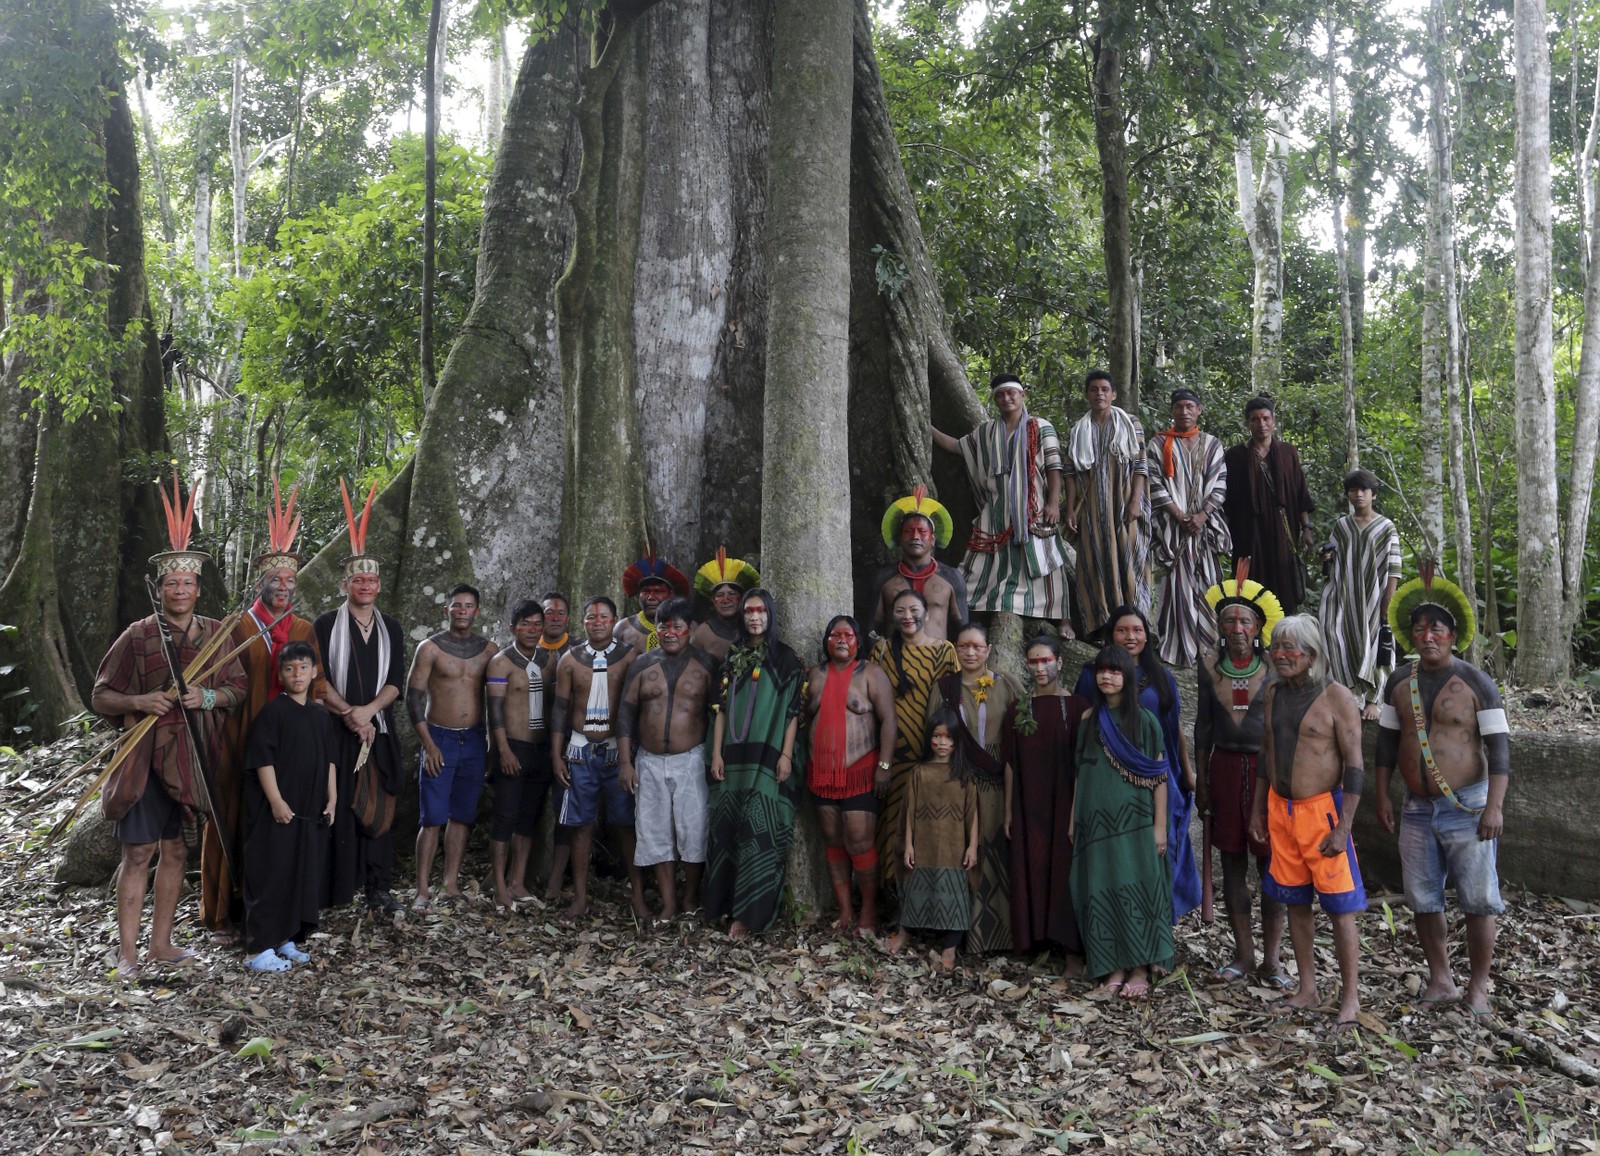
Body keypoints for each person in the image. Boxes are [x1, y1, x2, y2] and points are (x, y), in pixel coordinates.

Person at [92, 476, 246, 977]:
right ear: (161, 590)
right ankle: (128, 953)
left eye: (188, 583)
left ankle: (163, 943)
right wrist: (139, 699)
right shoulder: (138, 636)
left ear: (199, 588)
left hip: (194, 758)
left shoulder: (219, 635)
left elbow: (237, 690)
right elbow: (100, 694)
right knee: (138, 852)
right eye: (171, 584)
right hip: (143, 760)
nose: (180, 590)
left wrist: (204, 696)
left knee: (177, 849)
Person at [1373, 573, 1507, 1016]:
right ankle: (1441, 978)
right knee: (1423, 897)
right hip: (1415, 809)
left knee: (1477, 898)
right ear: (1411, 635)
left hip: (1468, 807)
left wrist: (1494, 807)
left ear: (1453, 637)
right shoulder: (1398, 681)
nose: (1427, 637)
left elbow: (1500, 749)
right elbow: (1387, 745)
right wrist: (1382, 795)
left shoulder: (1476, 682)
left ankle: (1479, 986)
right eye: (1420, 629)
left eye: (1437, 630)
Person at [204, 478, 322, 939]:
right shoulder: (236, 626)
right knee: (232, 813)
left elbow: (318, 683)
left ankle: (280, 915)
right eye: (275, 579)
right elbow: (215, 679)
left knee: (283, 819)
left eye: (291, 580)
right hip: (239, 735)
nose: (283, 587)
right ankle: (222, 911)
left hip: (288, 742)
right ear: (261, 582)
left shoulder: (305, 628)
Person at [1249, 615, 1366, 1030]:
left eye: (1290, 648)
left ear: (1311, 654)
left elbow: (1354, 765)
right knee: (1294, 900)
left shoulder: (1337, 698)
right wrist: (1259, 808)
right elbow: (1266, 750)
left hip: (1323, 813)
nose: (1280, 655)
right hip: (1282, 810)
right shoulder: (1273, 692)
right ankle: (1308, 987)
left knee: (1339, 908)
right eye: (1276, 647)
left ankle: (1350, 998)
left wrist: (1344, 825)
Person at [1073, 606, 1201, 922]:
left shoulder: (1161, 676)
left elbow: (1175, 729)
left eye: (1138, 630)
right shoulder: (1092, 675)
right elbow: (1083, 725)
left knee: (1161, 844)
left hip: (1159, 773)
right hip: (1109, 776)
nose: (1131, 637)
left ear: (1146, 635)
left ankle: (1160, 926)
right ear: (1110, 635)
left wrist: (1186, 772)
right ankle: (1122, 926)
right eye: (1123, 630)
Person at [315, 480, 406, 915]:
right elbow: (315, 678)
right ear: (344, 583)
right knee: (339, 804)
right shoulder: (324, 625)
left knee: (381, 804)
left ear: (379, 585)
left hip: (379, 729)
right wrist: (351, 714)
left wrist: (369, 713)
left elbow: (395, 681)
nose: (365, 585)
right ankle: (338, 888)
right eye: (358, 579)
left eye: (371, 579)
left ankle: (378, 888)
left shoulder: (392, 627)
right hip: (336, 730)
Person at [1194, 572, 1289, 987]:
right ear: (1219, 627)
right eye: (1229, 621)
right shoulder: (1208, 666)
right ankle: (1243, 956)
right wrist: (1201, 780)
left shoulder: (1274, 668)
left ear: (1258, 628)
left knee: (1271, 866)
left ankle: (1273, 959)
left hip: (1266, 773)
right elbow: (1202, 727)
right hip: (1225, 771)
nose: (1236, 629)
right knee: (1232, 864)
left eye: (1245, 622)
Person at [932, 373, 1072, 637]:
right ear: (995, 399)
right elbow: (957, 446)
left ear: (1022, 395)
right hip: (995, 511)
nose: (1006, 398)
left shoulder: (1040, 427)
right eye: (1000, 395)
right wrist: (926, 427)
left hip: (1034, 510)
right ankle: (974, 615)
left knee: (1047, 562)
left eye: (1011, 393)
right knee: (975, 565)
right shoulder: (987, 432)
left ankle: (1063, 621)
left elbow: (1054, 468)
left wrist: (1053, 503)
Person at [1069, 645, 1172, 999]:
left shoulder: (1144, 721)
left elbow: (1160, 777)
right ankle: (1112, 966)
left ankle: (1140, 967)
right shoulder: (1087, 721)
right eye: (1101, 670)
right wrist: (1073, 820)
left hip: (1137, 826)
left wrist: (1160, 828)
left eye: (1114, 670)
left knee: (1137, 889)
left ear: (1127, 677)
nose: (1106, 676)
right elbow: (1080, 775)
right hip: (1093, 825)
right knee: (1100, 889)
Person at [704, 588, 805, 938]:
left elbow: (792, 712)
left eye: (761, 611)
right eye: (749, 611)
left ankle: (750, 916)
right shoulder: (732, 658)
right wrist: (716, 754)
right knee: (726, 831)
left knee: (758, 834)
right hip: (731, 760)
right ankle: (723, 906)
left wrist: (787, 755)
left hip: (767, 759)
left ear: (770, 615)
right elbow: (717, 711)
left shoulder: (786, 659)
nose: (754, 617)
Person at [617, 597, 718, 924]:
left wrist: (717, 757)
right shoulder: (642, 663)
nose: (670, 632)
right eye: (663, 626)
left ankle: (690, 899)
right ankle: (669, 903)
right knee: (655, 832)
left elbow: (721, 714)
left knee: (694, 831)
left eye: (677, 626)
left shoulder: (706, 663)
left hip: (691, 759)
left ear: (690, 629)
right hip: (647, 761)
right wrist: (624, 762)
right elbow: (626, 713)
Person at [240, 642, 336, 972]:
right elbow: (263, 760)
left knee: (299, 871)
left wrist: (332, 797)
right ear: (280, 674)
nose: (298, 674)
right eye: (290, 668)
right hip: (277, 812)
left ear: (314, 673)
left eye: (304, 668)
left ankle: (284, 937)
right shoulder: (272, 713)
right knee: (272, 872)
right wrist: (276, 801)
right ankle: (257, 950)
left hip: (309, 810)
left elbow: (330, 761)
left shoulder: (320, 715)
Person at [550, 595, 643, 921]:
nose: (597, 621)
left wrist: (629, 757)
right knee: (581, 826)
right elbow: (560, 710)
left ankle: (639, 897)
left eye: (604, 616)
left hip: (617, 752)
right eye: (591, 617)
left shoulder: (631, 657)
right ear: (583, 622)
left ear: (614, 619)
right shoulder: (569, 661)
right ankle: (579, 897)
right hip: (579, 752)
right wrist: (556, 755)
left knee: (626, 825)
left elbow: (636, 707)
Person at [803, 615, 896, 936]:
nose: (841, 640)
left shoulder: (872, 674)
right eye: (834, 634)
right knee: (833, 840)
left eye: (848, 634)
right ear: (826, 640)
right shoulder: (813, 675)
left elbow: (889, 722)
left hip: (861, 772)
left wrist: (884, 766)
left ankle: (868, 911)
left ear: (858, 640)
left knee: (859, 841)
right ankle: (845, 911)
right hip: (821, 774)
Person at [934, 621, 1022, 953]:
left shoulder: (1007, 685)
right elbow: (936, 734)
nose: (970, 652)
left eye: (977, 647)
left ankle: (1001, 938)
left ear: (988, 650)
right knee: (962, 857)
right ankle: (958, 937)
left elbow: (1024, 732)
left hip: (1000, 787)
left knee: (997, 852)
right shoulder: (945, 688)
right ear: (955, 650)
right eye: (963, 646)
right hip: (960, 785)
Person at [406, 582, 494, 910]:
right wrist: (428, 745)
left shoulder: (489, 650)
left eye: (468, 606)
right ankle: (422, 890)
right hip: (438, 737)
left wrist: (492, 746)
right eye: (456, 605)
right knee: (432, 817)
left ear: (476, 611)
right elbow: (413, 698)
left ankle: (450, 883)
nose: (461, 611)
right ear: (447, 610)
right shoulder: (429, 649)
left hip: (473, 740)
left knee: (462, 816)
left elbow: (496, 701)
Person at [1003, 634, 1088, 966]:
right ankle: (1032, 941)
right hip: (1029, 805)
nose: (1040, 667)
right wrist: (1010, 811)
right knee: (1031, 867)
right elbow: (1010, 762)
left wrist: (1076, 811)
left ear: (1059, 662)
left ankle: (1071, 952)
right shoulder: (1017, 709)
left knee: (1064, 871)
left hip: (1065, 802)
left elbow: (1083, 763)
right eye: (1033, 662)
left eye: (1046, 660)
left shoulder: (1079, 707)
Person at [868, 588, 959, 889]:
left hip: (933, 754)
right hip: (893, 755)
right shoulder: (880, 652)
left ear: (928, 613)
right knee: (892, 825)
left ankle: (930, 900)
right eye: (899, 611)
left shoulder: (944, 651)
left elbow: (952, 704)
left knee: (930, 827)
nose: (907, 616)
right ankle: (894, 899)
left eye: (913, 610)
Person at [884, 708, 978, 971]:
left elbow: (973, 814)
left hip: (954, 852)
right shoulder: (919, 772)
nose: (942, 743)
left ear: (957, 741)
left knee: (955, 899)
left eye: (948, 738)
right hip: (923, 849)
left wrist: (972, 846)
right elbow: (910, 813)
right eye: (937, 736)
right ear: (929, 738)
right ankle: (904, 933)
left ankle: (950, 948)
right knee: (916, 894)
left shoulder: (964, 775)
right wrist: (909, 845)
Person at [1146, 388, 1231, 667]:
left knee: (1209, 583)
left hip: (1203, 530)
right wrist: (1178, 514)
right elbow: (1153, 482)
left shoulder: (1212, 444)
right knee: (1175, 587)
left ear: (1199, 410)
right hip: (1173, 527)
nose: (1184, 411)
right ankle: (1178, 647)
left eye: (1189, 406)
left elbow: (1219, 484)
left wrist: (1202, 515)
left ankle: (1208, 645)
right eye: (1179, 406)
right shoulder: (1158, 444)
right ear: (1172, 410)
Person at [1065, 368, 1151, 638]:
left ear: (1113, 394)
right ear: (1087, 395)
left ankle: (1136, 627)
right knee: (1093, 563)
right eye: (1094, 389)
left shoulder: (1130, 423)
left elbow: (1140, 464)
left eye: (1104, 389)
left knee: (1130, 560)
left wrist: (1136, 502)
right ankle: (1101, 626)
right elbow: (1070, 472)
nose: (1099, 394)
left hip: (1124, 506)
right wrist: (1070, 507)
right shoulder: (1078, 429)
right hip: (1091, 509)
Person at [486, 600, 553, 912]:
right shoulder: (501, 662)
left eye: (537, 624)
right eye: (525, 624)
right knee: (505, 817)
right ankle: (499, 885)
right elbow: (494, 710)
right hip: (512, 747)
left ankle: (518, 881)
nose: (531, 630)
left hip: (540, 751)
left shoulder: (548, 659)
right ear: (513, 628)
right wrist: (503, 749)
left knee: (529, 818)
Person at [1318, 469, 1401, 720]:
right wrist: (1326, 556)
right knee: (1333, 636)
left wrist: (1388, 601)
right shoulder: (1341, 525)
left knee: (1376, 642)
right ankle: (1346, 696)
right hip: (1342, 595)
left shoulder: (1386, 527)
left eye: (1363, 490)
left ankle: (1374, 699)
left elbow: (1394, 567)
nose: (1358, 495)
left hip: (1374, 596)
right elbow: (1331, 560)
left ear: (1373, 494)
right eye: (1353, 490)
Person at [1223, 396, 1315, 616]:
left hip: (1282, 531)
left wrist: (1306, 528)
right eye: (1255, 419)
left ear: (1273, 421)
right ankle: (1250, 638)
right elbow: (1228, 500)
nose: (1261, 424)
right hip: (1247, 532)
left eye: (1266, 418)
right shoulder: (1235, 456)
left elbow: (1300, 491)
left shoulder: (1287, 452)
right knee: (1248, 585)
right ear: (1247, 423)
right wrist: (1224, 535)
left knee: (1283, 582)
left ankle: (1284, 637)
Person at [871, 487, 969, 642]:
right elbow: (872, 631)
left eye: (922, 531)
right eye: (909, 531)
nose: (915, 536)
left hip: (939, 663)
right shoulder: (883, 578)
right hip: (893, 663)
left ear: (933, 539)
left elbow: (964, 632)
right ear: (900, 538)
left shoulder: (951, 578)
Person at [535, 592, 577, 902]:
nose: (556, 617)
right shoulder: (527, 648)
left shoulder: (578, 650)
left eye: (561, 612)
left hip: (567, 743)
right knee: (528, 808)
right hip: (530, 742)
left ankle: (557, 878)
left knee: (565, 812)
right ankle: (519, 873)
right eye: (550, 612)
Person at [690, 549, 761, 665]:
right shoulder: (703, 633)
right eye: (720, 595)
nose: (726, 600)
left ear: (742, 597)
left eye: (732, 594)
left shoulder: (755, 628)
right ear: (713, 600)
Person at [614, 554, 691, 653]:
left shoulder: (689, 628)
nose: (651, 598)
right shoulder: (622, 628)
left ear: (671, 594)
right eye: (646, 592)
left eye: (658, 592)